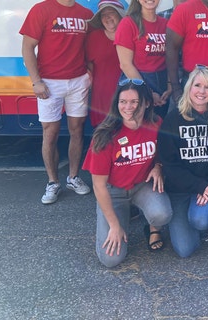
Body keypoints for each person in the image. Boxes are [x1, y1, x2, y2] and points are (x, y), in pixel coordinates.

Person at [82, 79, 173, 268]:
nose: (128, 107)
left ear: (146, 103)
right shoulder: (105, 135)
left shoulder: (155, 123)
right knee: (111, 260)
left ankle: (152, 227)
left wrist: (158, 166)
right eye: (123, 101)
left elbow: (163, 153)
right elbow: (98, 186)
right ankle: (116, 220)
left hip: (142, 186)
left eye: (134, 102)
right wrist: (114, 227)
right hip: (112, 192)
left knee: (162, 215)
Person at [158, 67, 208, 257]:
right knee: (184, 250)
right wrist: (198, 185)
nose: (202, 91)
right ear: (189, 87)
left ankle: (200, 220)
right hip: (180, 189)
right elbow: (169, 164)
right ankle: (184, 220)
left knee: (200, 221)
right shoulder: (172, 120)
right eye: (198, 85)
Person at [20, 0, 93, 204]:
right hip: (49, 82)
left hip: (78, 80)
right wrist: (36, 81)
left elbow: (90, 48)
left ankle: (73, 177)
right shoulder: (41, 9)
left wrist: (90, 73)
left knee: (77, 130)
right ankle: (53, 182)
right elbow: (27, 48)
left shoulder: (85, 13)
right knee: (50, 133)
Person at [115, 0, 171, 119]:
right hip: (137, 81)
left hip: (162, 82)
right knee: (138, 124)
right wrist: (148, 92)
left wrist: (170, 85)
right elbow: (125, 65)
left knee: (159, 126)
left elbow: (170, 58)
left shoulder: (166, 24)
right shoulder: (128, 23)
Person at [86, 0, 126, 128]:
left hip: (128, 100)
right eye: (103, 14)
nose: (107, 17)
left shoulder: (132, 35)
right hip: (101, 101)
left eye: (111, 13)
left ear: (120, 15)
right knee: (102, 141)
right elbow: (89, 67)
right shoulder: (93, 38)